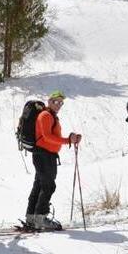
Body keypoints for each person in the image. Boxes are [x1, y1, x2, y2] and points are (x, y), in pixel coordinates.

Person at [25, 90, 82, 230]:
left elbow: (51, 136)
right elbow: (47, 137)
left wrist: (70, 138)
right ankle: (40, 218)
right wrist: (67, 140)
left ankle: (32, 217)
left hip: (45, 155)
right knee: (48, 186)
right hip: (43, 155)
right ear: (49, 101)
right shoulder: (45, 115)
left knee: (40, 185)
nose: (58, 105)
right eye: (56, 101)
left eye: (61, 102)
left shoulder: (51, 116)